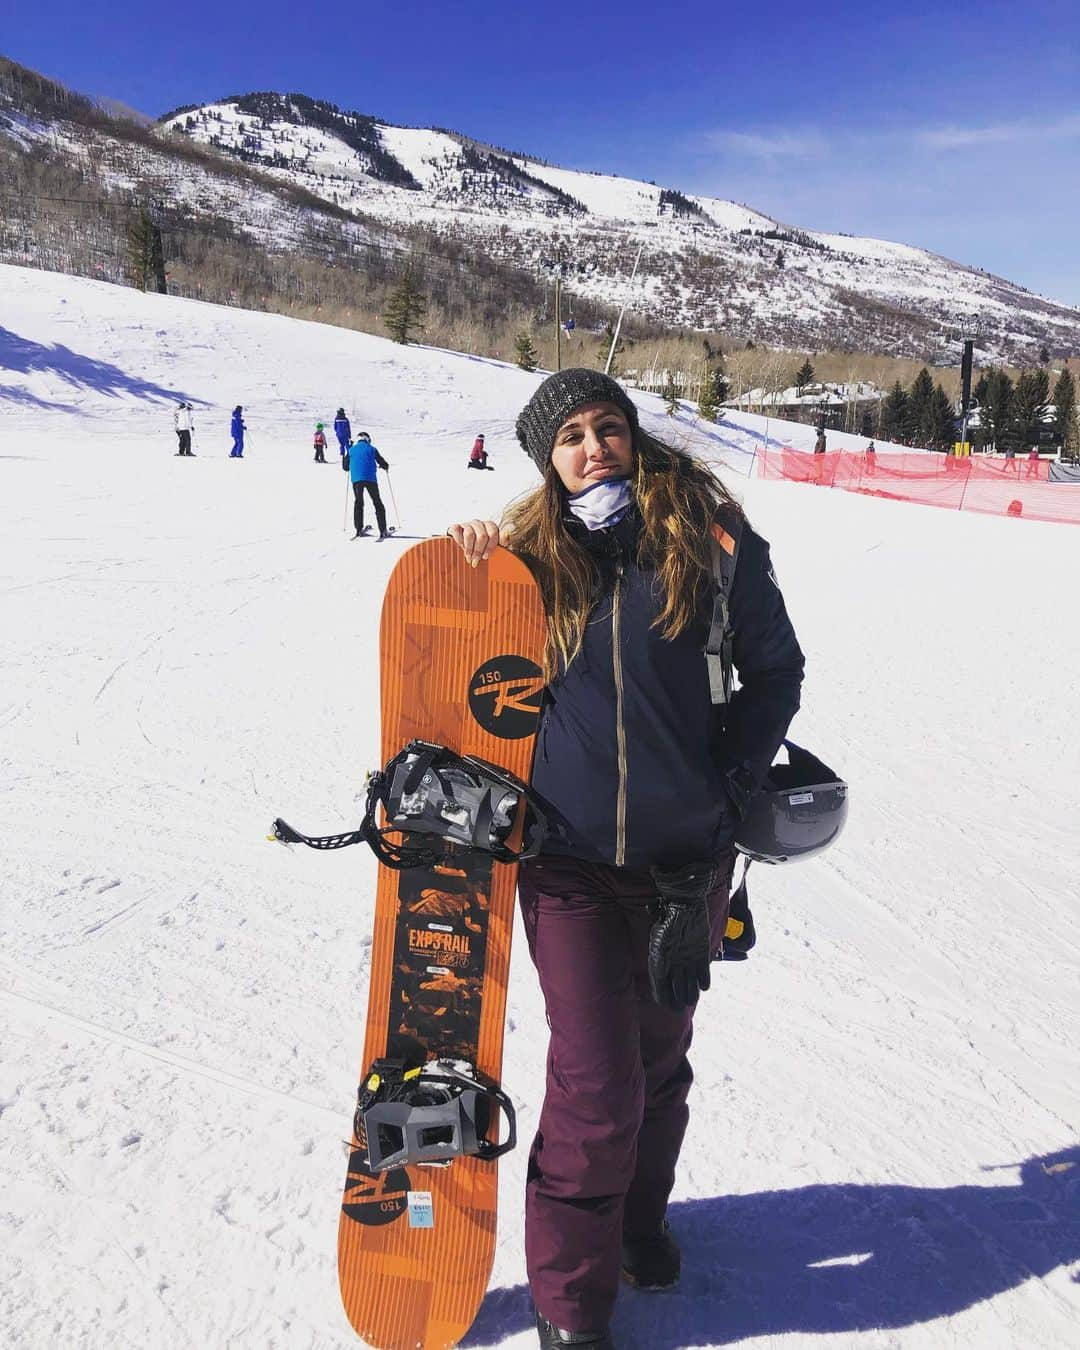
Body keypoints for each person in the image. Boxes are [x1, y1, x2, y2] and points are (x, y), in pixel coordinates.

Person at [447, 369, 804, 1350]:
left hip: (685, 858)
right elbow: (455, 664)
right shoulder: (522, 556)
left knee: (658, 1064)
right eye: (570, 437)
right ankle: (568, 1302)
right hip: (563, 864)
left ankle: (637, 1226)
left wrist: (730, 775)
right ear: (545, 460)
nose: (593, 445)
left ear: (632, 435)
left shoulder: (707, 536)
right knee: (596, 1081)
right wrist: (467, 563)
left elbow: (777, 670)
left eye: (608, 426)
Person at [349, 431, 390, 539]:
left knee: (358, 503)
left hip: (356, 480)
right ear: (368, 439)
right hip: (370, 478)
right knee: (377, 502)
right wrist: (385, 466)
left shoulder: (351, 449)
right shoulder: (372, 449)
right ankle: (383, 530)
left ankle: (358, 529)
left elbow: (345, 467)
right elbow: (382, 462)